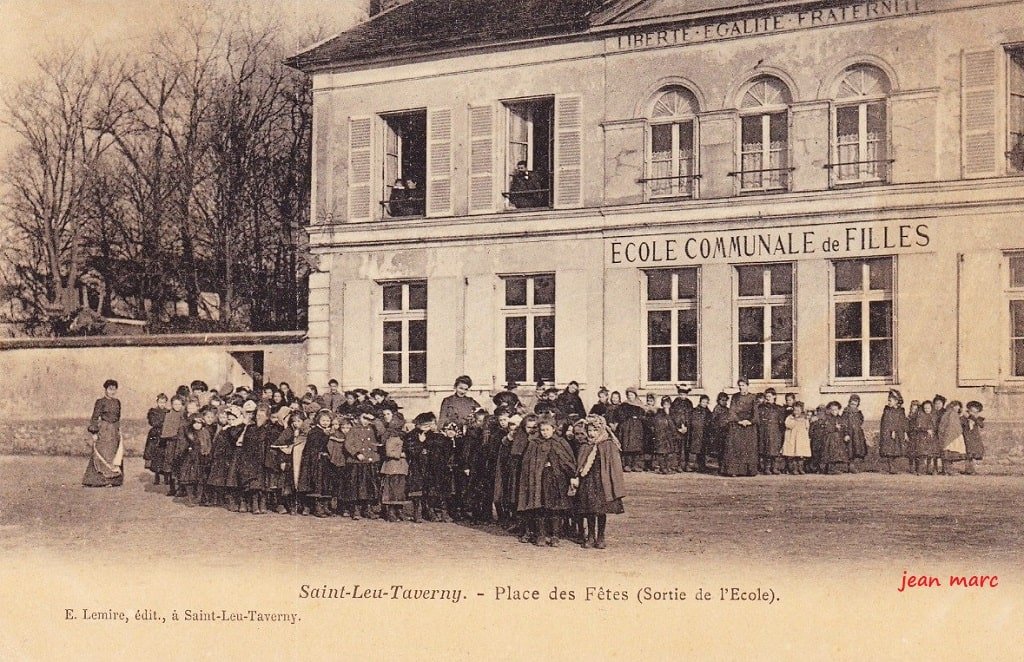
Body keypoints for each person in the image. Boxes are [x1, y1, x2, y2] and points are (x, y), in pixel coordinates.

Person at [517, 414, 576, 546]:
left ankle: (555, 535)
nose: (545, 433)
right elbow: (528, 463)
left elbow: (568, 461)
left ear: (553, 429)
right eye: (542, 430)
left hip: (556, 480)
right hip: (538, 480)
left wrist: (569, 474)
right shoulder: (534, 443)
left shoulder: (560, 442)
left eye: (547, 430)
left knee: (555, 508)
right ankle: (541, 535)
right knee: (540, 507)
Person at [572, 415, 626, 549]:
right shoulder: (585, 445)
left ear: (601, 430)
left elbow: (614, 466)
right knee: (590, 509)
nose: (591, 433)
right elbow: (580, 464)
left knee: (601, 510)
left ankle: (600, 536)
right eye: (589, 430)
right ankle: (590, 536)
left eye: (594, 430)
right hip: (588, 481)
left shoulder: (608, 445)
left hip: (602, 482)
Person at [83, 379, 124, 488]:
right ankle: (101, 480)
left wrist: (119, 430)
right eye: (110, 389)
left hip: (114, 431)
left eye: (114, 389)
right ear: (105, 389)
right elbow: (95, 417)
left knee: (114, 454)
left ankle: (114, 480)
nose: (112, 392)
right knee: (103, 453)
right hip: (104, 430)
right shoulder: (100, 402)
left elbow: (118, 417)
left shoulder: (117, 402)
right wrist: (94, 432)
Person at [342, 406, 382, 519]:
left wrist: (375, 420)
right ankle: (355, 510)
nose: (367, 421)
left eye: (369, 419)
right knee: (356, 487)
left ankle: (367, 509)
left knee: (368, 486)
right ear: (359, 417)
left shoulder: (372, 429)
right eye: (364, 418)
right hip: (356, 462)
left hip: (369, 461)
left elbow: (379, 435)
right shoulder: (354, 429)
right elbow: (348, 444)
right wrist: (356, 453)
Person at [297, 409, 333, 517]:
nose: (326, 422)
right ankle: (317, 507)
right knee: (317, 482)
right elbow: (315, 446)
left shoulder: (326, 431)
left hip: (323, 460)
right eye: (323, 420)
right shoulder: (315, 431)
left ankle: (324, 505)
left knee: (325, 483)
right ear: (318, 420)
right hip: (315, 461)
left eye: (328, 420)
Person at [722, 380, 759, 477]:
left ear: (747, 386)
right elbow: (732, 411)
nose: (741, 387)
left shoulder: (753, 397)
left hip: (749, 426)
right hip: (737, 425)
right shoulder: (735, 397)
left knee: (748, 448)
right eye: (739, 386)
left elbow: (755, 412)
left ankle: (748, 471)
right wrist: (739, 421)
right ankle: (734, 471)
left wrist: (750, 421)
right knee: (735, 447)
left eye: (743, 385)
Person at [612, 388, 646, 471]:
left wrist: (638, 418)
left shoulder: (640, 405)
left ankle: (636, 465)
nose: (630, 397)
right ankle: (627, 465)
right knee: (627, 446)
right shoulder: (624, 405)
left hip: (637, 428)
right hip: (627, 428)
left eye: (632, 395)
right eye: (629, 395)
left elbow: (643, 416)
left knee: (637, 446)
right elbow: (620, 415)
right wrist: (628, 417)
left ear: (635, 395)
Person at [159, 395, 186, 494]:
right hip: (171, 443)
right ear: (171, 404)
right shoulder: (169, 415)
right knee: (170, 464)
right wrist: (171, 435)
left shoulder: (184, 414)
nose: (177, 406)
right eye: (175, 404)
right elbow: (166, 430)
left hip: (182, 443)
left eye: (179, 404)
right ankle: (172, 488)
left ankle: (181, 488)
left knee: (181, 464)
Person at [879, 390, 908, 474]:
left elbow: (903, 421)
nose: (888, 402)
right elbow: (888, 422)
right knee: (890, 451)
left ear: (896, 401)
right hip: (889, 433)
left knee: (896, 450)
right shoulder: (888, 411)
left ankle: (893, 467)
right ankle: (891, 467)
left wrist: (905, 432)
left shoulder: (900, 410)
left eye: (890, 400)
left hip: (898, 432)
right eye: (888, 400)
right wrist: (892, 430)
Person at [380, 435, 409, 522]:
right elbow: (388, 452)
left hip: (402, 467)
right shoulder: (391, 439)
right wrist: (400, 454)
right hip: (392, 466)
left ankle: (399, 510)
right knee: (392, 489)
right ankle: (391, 511)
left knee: (400, 490)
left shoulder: (404, 438)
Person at [757, 388, 785, 475]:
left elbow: (781, 422)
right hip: (764, 431)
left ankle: (775, 467)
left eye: (769, 396)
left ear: (774, 396)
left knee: (775, 449)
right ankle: (767, 468)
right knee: (766, 449)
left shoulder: (779, 409)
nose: (767, 398)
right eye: (766, 396)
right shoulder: (761, 408)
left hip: (775, 431)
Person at [143, 393, 168, 484]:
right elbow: (153, 422)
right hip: (155, 435)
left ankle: (166, 478)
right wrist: (163, 424)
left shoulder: (168, 412)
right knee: (155, 455)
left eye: (164, 402)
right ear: (157, 402)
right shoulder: (153, 411)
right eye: (160, 402)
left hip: (165, 434)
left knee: (165, 455)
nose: (162, 404)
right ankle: (156, 477)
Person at [937, 400, 967, 475]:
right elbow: (945, 426)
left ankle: (947, 470)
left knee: (950, 453)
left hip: (954, 436)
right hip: (950, 436)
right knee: (948, 453)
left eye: (958, 407)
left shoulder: (954, 414)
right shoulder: (949, 414)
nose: (957, 408)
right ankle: (947, 470)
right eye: (955, 406)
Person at [782, 402, 812, 474]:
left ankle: (800, 468)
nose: (796, 412)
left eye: (798, 410)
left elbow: (807, 426)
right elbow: (788, 425)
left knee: (801, 454)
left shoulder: (804, 418)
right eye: (795, 410)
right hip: (792, 438)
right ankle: (794, 469)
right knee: (793, 454)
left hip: (801, 439)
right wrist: (794, 420)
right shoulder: (790, 417)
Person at [841, 394, 868, 473]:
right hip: (849, 434)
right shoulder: (846, 412)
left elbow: (861, 420)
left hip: (857, 434)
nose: (853, 406)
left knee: (857, 449)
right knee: (850, 450)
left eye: (855, 405)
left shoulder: (858, 413)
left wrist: (857, 428)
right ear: (849, 403)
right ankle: (850, 465)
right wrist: (846, 433)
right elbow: (844, 423)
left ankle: (856, 466)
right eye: (852, 404)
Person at [912, 400, 938, 475]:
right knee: (922, 454)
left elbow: (936, 426)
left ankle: (928, 469)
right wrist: (926, 429)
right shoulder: (920, 416)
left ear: (931, 408)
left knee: (930, 454)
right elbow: (917, 427)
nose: (927, 410)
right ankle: (920, 470)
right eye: (925, 408)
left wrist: (933, 430)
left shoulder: (934, 416)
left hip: (931, 438)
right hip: (922, 438)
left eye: (928, 408)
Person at [962, 401, 985, 475]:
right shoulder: (964, 418)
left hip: (975, 438)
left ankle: (972, 469)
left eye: (976, 412)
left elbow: (981, 425)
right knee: (968, 453)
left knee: (974, 453)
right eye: (971, 411)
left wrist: (971, 417)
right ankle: (968, 469)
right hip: (967, 437)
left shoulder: (978, 418)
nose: (973, 413)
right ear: (968, 410)